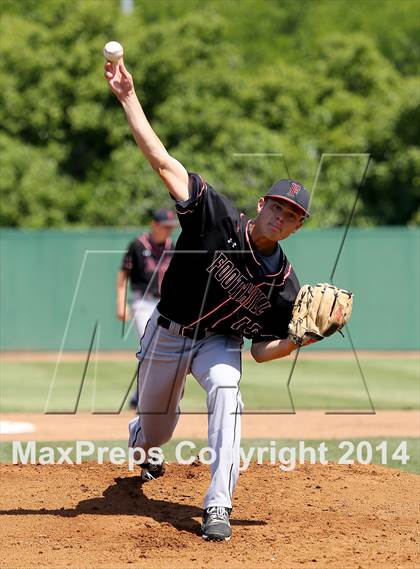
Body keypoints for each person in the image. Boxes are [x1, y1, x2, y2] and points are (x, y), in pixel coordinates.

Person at [105, 58, 308, 542]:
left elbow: (262, 351)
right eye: (277, 206)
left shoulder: (284, 284)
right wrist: (129, 97)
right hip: (168, 332)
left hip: (219, 342)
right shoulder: (213, 217)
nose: (281, 217)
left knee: (226, 389)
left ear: (298, 227)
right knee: (157, 432)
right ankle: (142, 439)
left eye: (292, 215)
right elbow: (162, 161)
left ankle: (219, 503)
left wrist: (304, 337)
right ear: (261, 205)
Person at [117, 208, 178, 408]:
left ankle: (138, 396)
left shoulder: (172, 246)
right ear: (154, 224)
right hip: (142, 302)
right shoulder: (137, 245)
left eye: (171, 227)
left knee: (161, 351)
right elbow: (123, 276)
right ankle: (144, 397)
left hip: (166, 304)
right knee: (150, 347)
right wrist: (121, 304)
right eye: (164, 227)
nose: (168, 231)